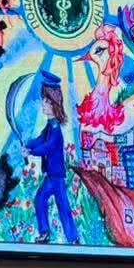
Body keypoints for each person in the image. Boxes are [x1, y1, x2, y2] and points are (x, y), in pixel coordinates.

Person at [22, 70, 79, 244]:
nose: (43, 104)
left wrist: (31, 152)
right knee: (53, 204)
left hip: (56, 176)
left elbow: (48, 146)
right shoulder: (49, 126)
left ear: (55, 104)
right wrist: (29, 145)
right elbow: (40, 139)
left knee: (52, 203)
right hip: (53, 175)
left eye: (47, 101)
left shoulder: (55, 129)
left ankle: (63, 237)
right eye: (43, 100)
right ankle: (62, 236)